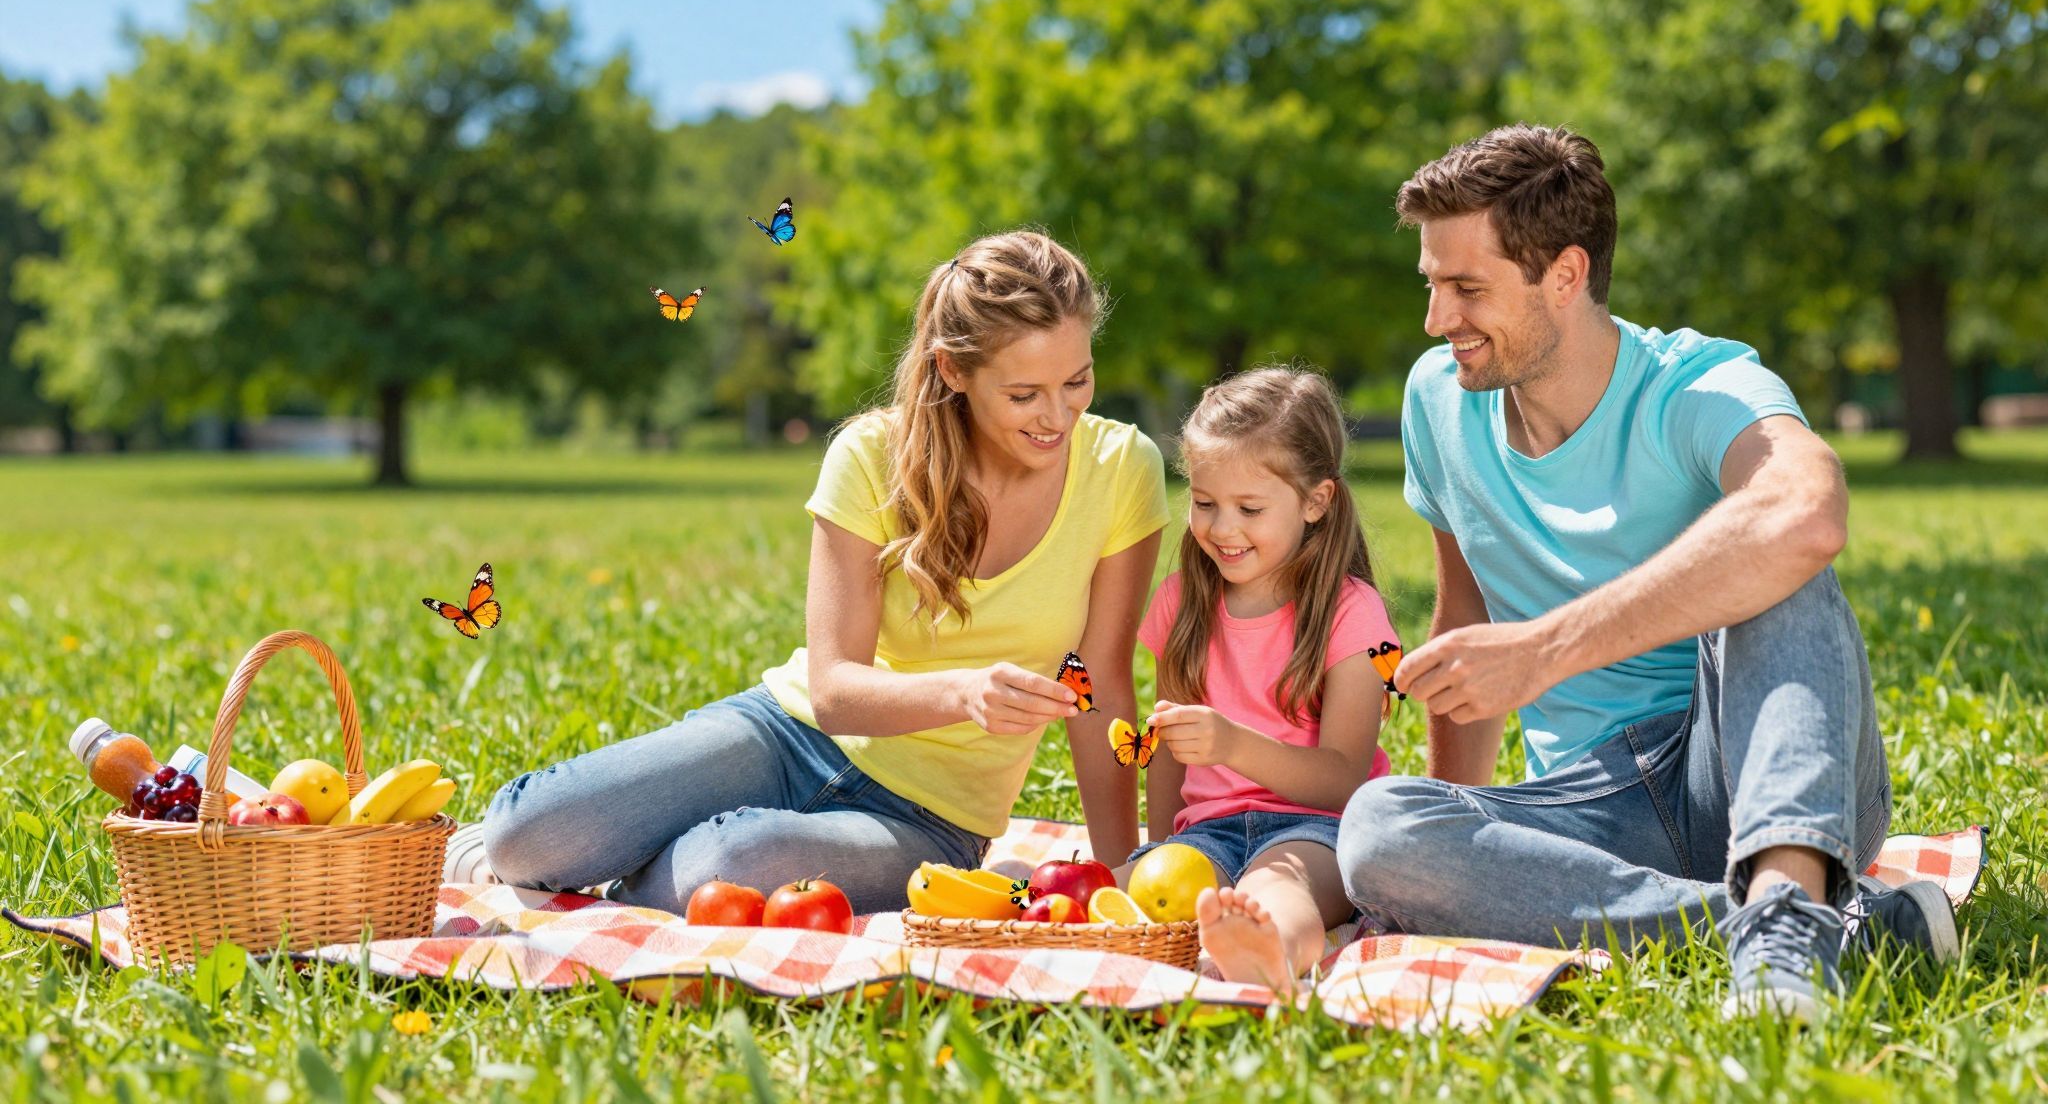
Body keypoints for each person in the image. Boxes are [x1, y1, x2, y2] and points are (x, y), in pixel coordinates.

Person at [1335, 124, 1957, 1021]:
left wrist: (1548, 650)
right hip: (1593, 811)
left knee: (1774, 559)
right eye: (1431, 285)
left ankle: (1788, 897)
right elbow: (1462, 611)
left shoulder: (1694, 386)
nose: (1438, 321)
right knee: (1382, 829)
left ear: (1567, 274)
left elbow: (1807, 511)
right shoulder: (1438, 398)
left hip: (1747, 771)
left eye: (1468, 289)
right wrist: (1459, 812)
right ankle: (1816, 928)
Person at [472, 230, 1168, 914]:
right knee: (524, 834)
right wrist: (964, 692)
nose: (1058, 416)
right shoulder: (871, 454)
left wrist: (1116, 875)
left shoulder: (1120, 469)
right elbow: (833, 690)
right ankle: (592, 867)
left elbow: (1099, 681)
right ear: (954, 371)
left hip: (929, 820)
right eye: (1024, 395)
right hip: (788, 735)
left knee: (730, 862)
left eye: (1077, 380)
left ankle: (645, 871)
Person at [1118, 368, 1400, 993]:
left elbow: (1342, 779)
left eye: (1249, 508)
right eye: (1204, 502)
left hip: (1315, 832)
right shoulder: (1182, 602)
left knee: (1276, 891)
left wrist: (1234, 745)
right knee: (1124, 889)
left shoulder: (1351, 614)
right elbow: (1167, 749)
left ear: (1315, 501)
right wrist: (1159, 848)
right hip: (1208, 832)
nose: (1222, 528)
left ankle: (1266, 952)